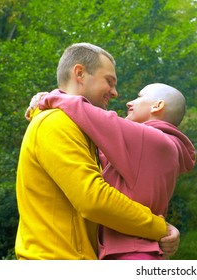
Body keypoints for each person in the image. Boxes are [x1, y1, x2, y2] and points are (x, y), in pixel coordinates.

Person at [15, 43, 179, 260]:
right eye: (109, 81)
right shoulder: (55, 123)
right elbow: (94, 199)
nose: (115, 92)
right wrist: (160, 228)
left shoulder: (82, 133)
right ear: (80, 74)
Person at [33, 83, 195, 260]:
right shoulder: (156, 148)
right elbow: (94, 158)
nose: (129, 103)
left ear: (157, 106)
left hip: (132, 254)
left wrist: (51, 97)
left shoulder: (151, 139)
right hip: (136, 250)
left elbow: (93, 116)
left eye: (139, 97)